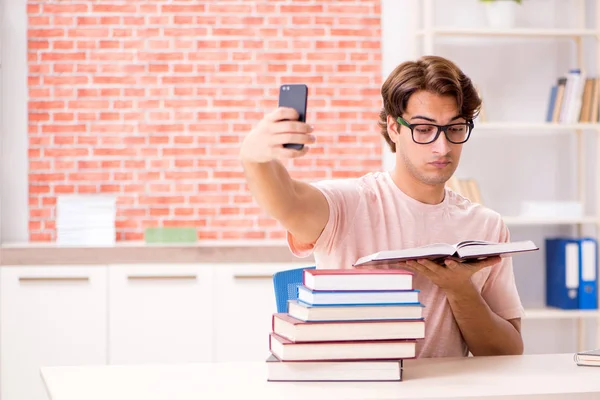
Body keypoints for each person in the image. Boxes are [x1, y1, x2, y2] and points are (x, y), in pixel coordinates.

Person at [239, 55, 524, 358]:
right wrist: (254, 158)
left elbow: (506, 352)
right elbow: (288, 203)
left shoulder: (486, 227)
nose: (443, 147)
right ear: (393, 128)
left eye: (455, 128)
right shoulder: (347, 203)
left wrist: (460, 289)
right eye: (424, 129)